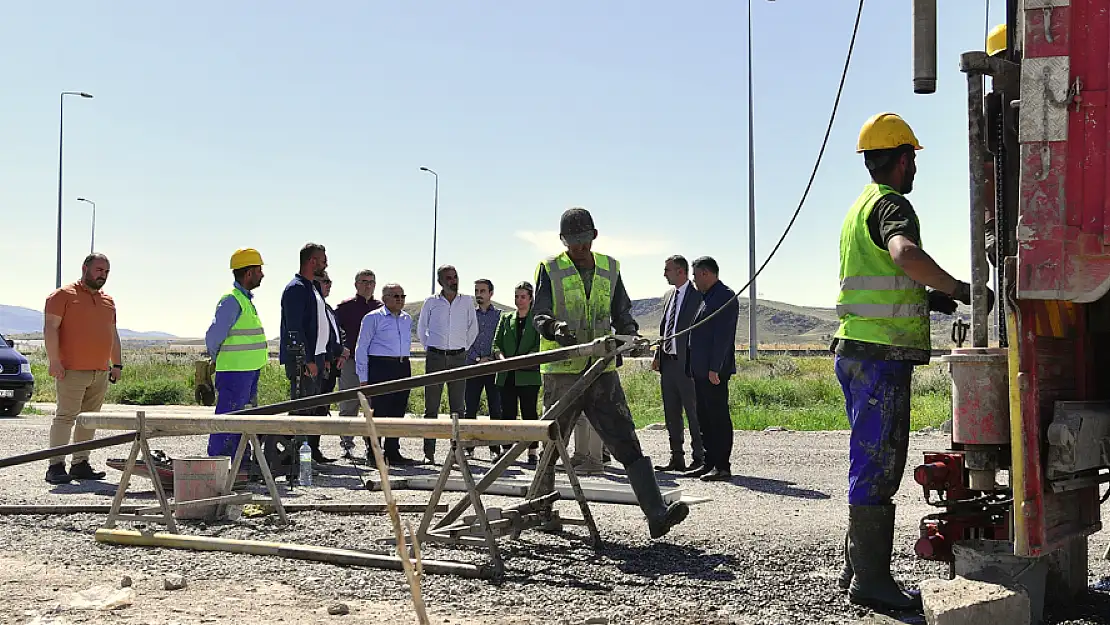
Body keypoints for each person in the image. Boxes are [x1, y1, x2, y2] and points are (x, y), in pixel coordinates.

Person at [834, 112, 991, 611]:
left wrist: (928, 300)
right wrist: (958, 288)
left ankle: (854, 569)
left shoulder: (859, 208)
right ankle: (871, 583)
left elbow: (881, 276)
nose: (915, 170)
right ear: (902, 160)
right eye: (913, 160)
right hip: (879, 356)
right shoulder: (893, 206)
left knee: (868, 458)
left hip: (856, 349)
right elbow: (903, 253)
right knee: (878, 464)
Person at [533, 207, 688, 539]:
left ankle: (656, 513)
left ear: (594, 236)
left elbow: (622, 312)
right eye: (572, 243)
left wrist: (630, 335)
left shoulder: (610, 268)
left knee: (626, 438)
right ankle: (539, 510)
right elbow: (539, 314)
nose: (578, 249)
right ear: (562, 241)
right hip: (563, 372)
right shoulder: (550, 269)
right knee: (551, 444)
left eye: (583, 242)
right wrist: (554, 328)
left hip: (601, 371)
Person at [42, 253, 123, 485]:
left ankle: (80, 463)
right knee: (65, 417)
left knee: (89, 420)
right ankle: (55, 466)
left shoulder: (108, 301)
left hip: (99, 371)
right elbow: (50, 329)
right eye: (99, 270)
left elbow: (112, 334)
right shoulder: (62, 296)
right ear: (85, 268)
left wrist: (116, 363)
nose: (103, 275)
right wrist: (54, 361)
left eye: (106, 272)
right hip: (71, 370)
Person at [275, 243, 340, 476]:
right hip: (305, 363)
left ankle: (306, 458)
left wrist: (327, 356)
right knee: (301, 410)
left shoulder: (312, 288)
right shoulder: (296, 289)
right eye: (323, 260)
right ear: (312, 261)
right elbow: (294, 329)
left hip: (319, 360)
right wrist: (305, 360)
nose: (326, 264)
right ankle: (296, 462)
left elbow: (320, 326)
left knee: (312, 410)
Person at [204, 248, 268, 461]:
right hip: (234, 372)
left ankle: (240, 463)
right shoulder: (232, 300)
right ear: (248, 273)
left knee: (243, 419)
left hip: (246, 371)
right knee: (228, 419)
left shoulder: (244, 300)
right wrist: (217, 359)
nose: (262, 275)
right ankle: (220, 463)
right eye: (259, 270)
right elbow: (214, 336)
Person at [682, 257, 737, 482]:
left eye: (695, 275)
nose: (693, 280)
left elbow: (723, 337)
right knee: (704, 416)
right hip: (701, 370)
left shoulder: (725, 296)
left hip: (714, 371)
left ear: (705, 273)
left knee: (717, 417)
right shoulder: (707, 298)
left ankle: (722, 466)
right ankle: (708, 461)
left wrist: (715, 368)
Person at [416, 265, 477, 464]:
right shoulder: (431, 302)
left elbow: (472, 328)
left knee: (458, 408)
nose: (453, 281)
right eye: (449, 278)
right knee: (431, 408)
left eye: (455, 277)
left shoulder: (467, 301)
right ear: (440, 281)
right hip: (435, 358)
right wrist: (433, 349)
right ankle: (428, 454)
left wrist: (461, 348)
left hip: (459, 358)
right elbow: (421, 328)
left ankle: (457, 454)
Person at [652, 254, 705, 473]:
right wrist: (658, 354)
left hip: (688, 365)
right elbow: (665, 328)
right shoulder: (668, 296)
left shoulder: (698, 296)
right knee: (671, 413)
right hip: (668, 363)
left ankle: (700, 458)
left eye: (668, 269)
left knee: (694, 412)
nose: (664, 273)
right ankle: (676, 457)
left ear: (681, 272)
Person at [354, 283, 415, 465]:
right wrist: (363, 378)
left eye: (402, 296)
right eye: (396, 296)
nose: (400, 300)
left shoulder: (406, 319)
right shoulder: (373, 318)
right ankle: (373, 452)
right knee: (379, 411)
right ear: (385, 298)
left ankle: (392, 450)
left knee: (398, 410)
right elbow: (361, 347)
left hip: (402, 366)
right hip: (381, 366)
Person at [491, 281, 542, 464]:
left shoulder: (537, 319)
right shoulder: (506, 318)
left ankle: (532, 451)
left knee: (529, 413)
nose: (519, 300)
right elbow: (496, 344)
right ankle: (507, 449)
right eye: (516, 296)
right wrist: (502, 359)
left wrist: (525, 360)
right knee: (507, 412)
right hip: (506, 375)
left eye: (522, 297)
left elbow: (539, 345)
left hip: (528, 375)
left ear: (530, 299)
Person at [334, 270, 382, 460]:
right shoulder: (345, 307)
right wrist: (342, 351)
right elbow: (335, 331)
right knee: (348, 404)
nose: (368, 285)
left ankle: (372, 446)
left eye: (371, 282)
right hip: (351, 362)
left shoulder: (380, 307)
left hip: (374, 363)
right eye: (364, 282)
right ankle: (347, 445)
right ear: (356, 285)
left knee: (373, 405)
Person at [306, 270, 345, 464]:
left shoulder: (328, 308)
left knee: (322, 409)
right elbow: (321, 337)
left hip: (331, 366)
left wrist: (342, 351)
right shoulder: (315, 307)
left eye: (330, 281)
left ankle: (314, 449)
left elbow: (335, 334)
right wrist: (332, 353)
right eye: (325, 281)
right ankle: (305, 450)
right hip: (321, 363)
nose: (328, 285)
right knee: (312, 409)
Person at [466, 279, 503, 459]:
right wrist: (477, 359)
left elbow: (500, 341)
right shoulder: (469, 316)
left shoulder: (500, 316)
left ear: (491, 293)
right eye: (476, 291)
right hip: (472, 367)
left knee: (495, 409)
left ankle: (495, 449)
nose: (479, 294)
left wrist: (491, 359)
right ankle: (468, 447)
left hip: (492, 367)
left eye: (482, 291)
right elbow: (464, 341)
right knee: (470, 408)